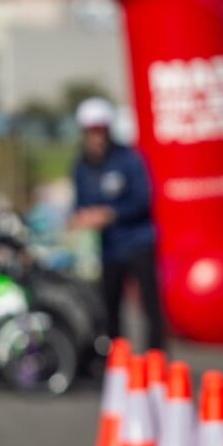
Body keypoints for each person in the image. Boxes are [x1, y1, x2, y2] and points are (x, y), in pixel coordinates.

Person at [71, 97, 165, 350]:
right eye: (92, 132)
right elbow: (80, 204)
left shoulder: (129, 159)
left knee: (150, 302)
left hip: (138, 241)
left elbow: (143, 199)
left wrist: (111, 213)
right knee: (110, 304)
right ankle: (116, 358)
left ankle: (156, 355)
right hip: (109, 247)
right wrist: (82, 218)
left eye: (101, 131)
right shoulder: (81, 166)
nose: (97, 137)